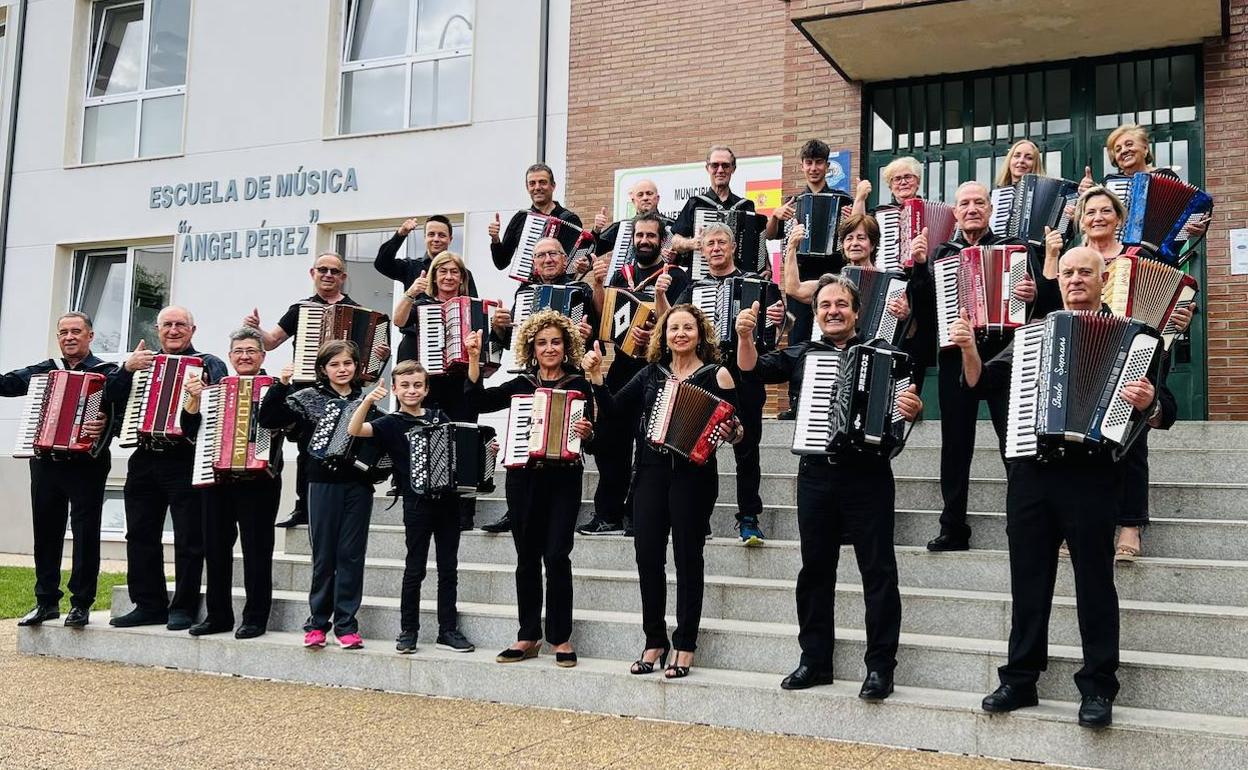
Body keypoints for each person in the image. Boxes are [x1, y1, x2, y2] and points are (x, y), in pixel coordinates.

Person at [964, 246, 1165, 729]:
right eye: (1068, 272)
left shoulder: (1138, 340)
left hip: (1093, 475)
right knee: (1028, 581)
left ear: (1103, 280)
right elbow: (983, 383)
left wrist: (1151, 399)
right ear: (1060, 281)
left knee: (1095, 583)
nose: (1075, 280)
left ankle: (1098, 685)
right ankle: (1020, 679)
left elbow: (1166, 410)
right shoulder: (1033, 334)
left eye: (1085, 273)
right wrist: (969, 348)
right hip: (1032, 473)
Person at [738, 275, 922, 698]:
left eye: (842, 304)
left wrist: (913, 408)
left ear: (857, 312)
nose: (833, 311)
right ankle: (815, 660)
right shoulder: (802, 352)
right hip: (817, 475)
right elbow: (751, 370)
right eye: (825, 305)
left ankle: (880, 668)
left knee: (877, 572)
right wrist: (746, 336)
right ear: (816, 313)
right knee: (815, 572)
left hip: (868, 475)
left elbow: (901, 415)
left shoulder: (887, 355)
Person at [584, 304, 743, 678]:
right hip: (651, 473)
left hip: (694, 476)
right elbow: (614, 410)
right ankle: (654, 640)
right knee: (647, 558)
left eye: (688, 327)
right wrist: (595, 379)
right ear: (664, 335)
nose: (681, 334)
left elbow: (740, 429)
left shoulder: (716, 375)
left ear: (700, 334)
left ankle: (685, 644)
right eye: (674, 328)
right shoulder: (649, 374)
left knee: (689, 559)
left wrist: (732, 432)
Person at [1050, 186, 1191, 559]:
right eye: (1090, 211)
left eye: (1105, 211)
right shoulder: (1070, 259)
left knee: (1132, 428)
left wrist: (1179, 318)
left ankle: (1130, 523)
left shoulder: (1139, 256)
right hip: (1082, 346)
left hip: (1134, 348)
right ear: (1081, 219)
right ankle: (1074, 520)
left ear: (1119, 218)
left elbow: (1172, 299)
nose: (1097, 218)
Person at [915, 182, 1048, 553]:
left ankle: (1024, 524)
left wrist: (1033, 293)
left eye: (979, 202)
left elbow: (1046, 301)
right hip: (957, 359)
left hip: (1006, 355)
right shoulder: (944, 252)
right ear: (955, 214)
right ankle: (953, 526)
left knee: (1014, 443)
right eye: (964, 204)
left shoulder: (1016, 249)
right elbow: (926, 310)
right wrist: (920, 266)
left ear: (990, 209)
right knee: (955, 447)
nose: (972, 209)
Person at [464, 311, 594, 667]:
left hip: (565, 478)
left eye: (555, 342)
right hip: (524, 479)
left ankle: (560, 637)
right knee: (526, 558)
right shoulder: (521, 385)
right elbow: (477, 402)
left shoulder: (580, 385)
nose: (549, 348)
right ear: (532, 349)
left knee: (556, 555)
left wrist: (587, 433)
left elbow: (597, 439)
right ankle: (527, 635)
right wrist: (474, 359)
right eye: (542, 343)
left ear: (566, 346)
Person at [258, 340, 384, 650]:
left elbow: (384, 442)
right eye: (335, 365)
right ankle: (317, 624)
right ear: (323, 369)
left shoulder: (367, 402)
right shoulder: (306, 398)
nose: (342, 369)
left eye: (348, 364)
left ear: (356, 367)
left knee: (352, 556)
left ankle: (346, 625)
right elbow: (269, 419)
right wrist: (281, 384)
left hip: (357, 487)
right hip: (320, 484)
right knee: (324, 555)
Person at [108, 306, 228, 630]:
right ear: (158, 329)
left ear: (192, 330)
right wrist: (125, 369)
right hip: (144, 456)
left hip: (185, 457)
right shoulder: (141, 363)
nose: (173, 330)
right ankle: (148, 604)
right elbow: (110, 397)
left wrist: (204, 393)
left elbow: (224, 403)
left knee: (190, 538)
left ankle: (184, 607)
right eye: (167, 325)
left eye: (180, 325)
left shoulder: (209, 362)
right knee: (139, 534)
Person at [347, 361, 475, 655]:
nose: (411, 390)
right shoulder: (390, 424)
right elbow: (355, 430)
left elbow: (457, 449)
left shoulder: (438, 416)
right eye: (404, 385)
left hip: (448, 503)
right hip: (416, 503)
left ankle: (448, 630)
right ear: (395, 389)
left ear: (426, 389)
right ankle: (408, 631)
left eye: (417, 385)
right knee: (414, 568)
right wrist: (367, 400)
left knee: (448, 569)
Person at [578, 212, 690, 536]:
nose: (644, 241)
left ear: (661, 239)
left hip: (657, 370)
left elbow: (680, 321)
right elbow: (603, 317)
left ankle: (636, 513)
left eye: (650, 236)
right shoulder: (621, 274)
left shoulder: (676, 276)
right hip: (623, 366)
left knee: (648, 446)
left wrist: (656, 330)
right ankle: (607, 514)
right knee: (611, 441)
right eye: (639, 235)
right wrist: (597, 283)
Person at [677, 222, 785, 545]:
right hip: (707, 372)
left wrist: (779, 320)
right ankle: (699, 516)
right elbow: (674, 321)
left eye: (721, 242)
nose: (715, 248)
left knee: (746, 446)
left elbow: (776, 331)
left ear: (734, 246)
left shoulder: (757, 283)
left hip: (745, 372)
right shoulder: (694, 289)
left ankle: (748, 517)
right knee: (699, 445)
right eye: (709, 244)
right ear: (703, 249)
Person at [243, 251, 369, 529]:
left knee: (345, 445)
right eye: (322, 270)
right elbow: (273, 341)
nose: (328, 275)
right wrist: (256, 329)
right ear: (313, 274)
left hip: (343, 392)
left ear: (343, 277)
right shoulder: (300, 308)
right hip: (307, 390)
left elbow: (366, 359)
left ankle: (344, 500)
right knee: (306, 449)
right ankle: (304, 507)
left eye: (334, 271)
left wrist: (377, 356)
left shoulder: (356, 310)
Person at [6, 312, 116, 628]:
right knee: (46, 532)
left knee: (85, 534)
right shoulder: (45, 371)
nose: (69, 337)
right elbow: (9, 384)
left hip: (87, 465)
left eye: (76, 331)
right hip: (45, 463)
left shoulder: (107, 373)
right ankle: (46, 602)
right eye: (63, 332)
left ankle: (81, 604)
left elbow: (121, 412)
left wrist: (106, 422)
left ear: (90, 336)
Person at [478, 237, 593, 534]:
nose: (547, 259)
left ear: (564, 258)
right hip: (527, 471)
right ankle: (515, 513)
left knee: (556, 555)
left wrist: (585, 335)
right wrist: (497, 331)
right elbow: (514, 340)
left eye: (553, 253)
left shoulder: (581, 288)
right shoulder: (525, 292)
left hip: (565, 470)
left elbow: (594, 337)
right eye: (540, 255)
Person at [180, 327, 283, 639]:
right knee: (215, 548)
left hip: (259, 482)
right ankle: (218, 616)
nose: (244, 356)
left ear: (263, 355)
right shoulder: (214, 390)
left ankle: (255, 617)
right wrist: (193, 400)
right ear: (230, 357)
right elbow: (188, 430)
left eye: (251, 350)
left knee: (257, 550)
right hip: (218, 478)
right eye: (238, 351)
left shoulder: (277, 387)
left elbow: (286, 425)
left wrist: (281, 397)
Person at [392, 250, 502, 532]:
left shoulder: (475, 306)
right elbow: (399, 321)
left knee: (465, 441)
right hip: (431, 384)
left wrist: (499, 330)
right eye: (443, 272)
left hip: (463, 383)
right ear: (434, 276)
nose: (449, 277)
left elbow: (492, 350)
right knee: (426, 438)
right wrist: (409, 294)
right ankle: (426, 498)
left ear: (462, 277)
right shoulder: (423, 303)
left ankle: (464, 512)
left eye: (454, 272)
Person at [764, 139, 850, 356]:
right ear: (802, 165)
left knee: (834, 335)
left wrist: (853, 217)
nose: (813, 168)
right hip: (800, 278)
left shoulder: (843, 200)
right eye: (809, 163)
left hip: (833, 275)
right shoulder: (792, 202)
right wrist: (775, 216)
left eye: (819, 163)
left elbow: (857, 237)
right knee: (799, 338)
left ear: (827, 166)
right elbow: (771, 234)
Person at [489, 162, 585, 272]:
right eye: (532, 183)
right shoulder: (520, 218)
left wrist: (583, 263)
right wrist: (495, 239)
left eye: (542, 182)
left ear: (553, 186)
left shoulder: (569, 220)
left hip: (561, 285)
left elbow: (577, 262)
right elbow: (501, 263)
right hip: (528, 286)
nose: (537, 187)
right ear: (527, 187)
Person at [670, 146, 758, 259]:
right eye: (715, 165)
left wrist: (766, 265)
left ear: (733, 169)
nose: (720, 170)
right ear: (708, 168)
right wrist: (692, 243)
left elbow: (757, 242)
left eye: (725, 165)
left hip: (737, 273)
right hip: (703, 273)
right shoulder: (696, 203)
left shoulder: (745, 206)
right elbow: (675, 241)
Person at [374, 214, 479, 297]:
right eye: (431, 234)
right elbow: (381, 263)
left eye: (442, 235)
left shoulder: (462, 273)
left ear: (450, 239)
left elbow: (474, 309)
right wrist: (401, 234)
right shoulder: (410, 267)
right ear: (425, 238)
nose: (436, 239)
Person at [591, 178, 672, 261]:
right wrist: (596, 230)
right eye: (640, 195)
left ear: (657, 198)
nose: (645, 198)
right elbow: (593, 251)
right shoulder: (621, 228)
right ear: (633, 201)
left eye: (649, 193)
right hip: (630, 274)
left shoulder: (672, 226)